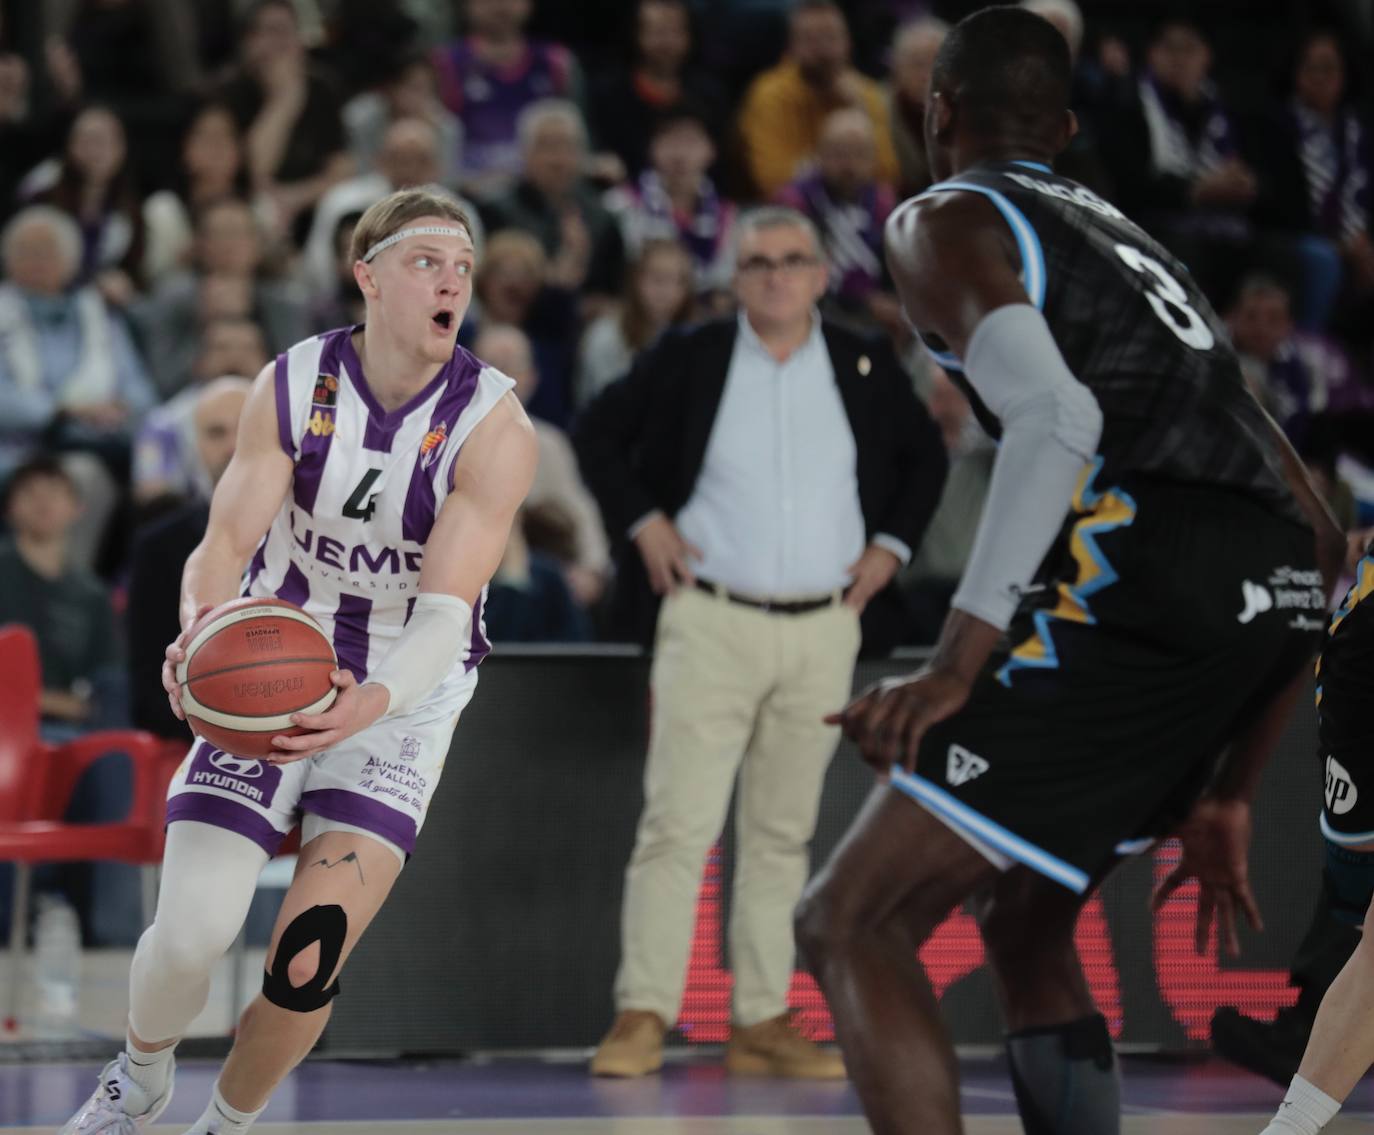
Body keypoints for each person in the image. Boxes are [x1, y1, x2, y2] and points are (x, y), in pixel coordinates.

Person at [791, 9, 1346, 1135]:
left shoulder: (942, 217)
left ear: (936, 111)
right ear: (1067, 127)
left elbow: (1056, 417)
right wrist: (1233, 790)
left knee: (849, 921)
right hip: (1273, 586)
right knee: (1027, 921)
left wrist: (957, 662)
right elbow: (1324, 535)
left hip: (1155, 570)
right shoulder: (1134, 243)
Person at [59, 186, 536, 1135]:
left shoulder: (493, 426)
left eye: (463, 269)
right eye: (427, 263)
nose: (453, 283)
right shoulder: (292, 382)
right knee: (191, 934)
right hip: (272, 666)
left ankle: (227, 1125)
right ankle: (139, 1077)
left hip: (402, 699)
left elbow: (444, 616)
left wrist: (372, 703)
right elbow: (223, 537)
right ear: (367, 277)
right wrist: (200, 624)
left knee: (308, 952)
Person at [574, 206, 947, 1078]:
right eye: (756, 263)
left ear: (822, 274)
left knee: (784, 831)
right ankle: (642, 1013)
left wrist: (890, 549)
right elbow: (596, 432)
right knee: (678, 822)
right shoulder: (692, 356)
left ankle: (762, 1017)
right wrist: (643, 522)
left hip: (823, 626)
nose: (775, 275)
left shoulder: (862, 360)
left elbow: (926, 458)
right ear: (734, 279)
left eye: (791, 260)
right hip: (710, 617)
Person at [737, 0, 898, 199]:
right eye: (810, 40)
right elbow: (771, 180)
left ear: (848, 43)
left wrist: (858, 108)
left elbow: (888, 177)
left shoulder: (866, 93)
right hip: (795, 210)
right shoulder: (770, 94)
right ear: (791, 47)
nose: (823, 50)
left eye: (831, 38)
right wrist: (842, 164)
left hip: (860, 210)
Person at [576, 238, 695, 407]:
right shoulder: (604, 336)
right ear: (636, 280)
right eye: (658, 279)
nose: (667, 291)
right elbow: (600, 404)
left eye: (677, 281)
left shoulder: (694, 339)